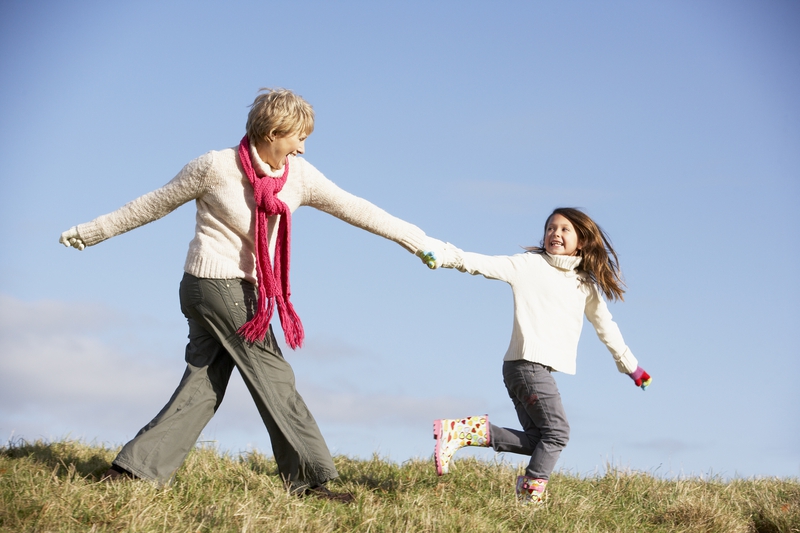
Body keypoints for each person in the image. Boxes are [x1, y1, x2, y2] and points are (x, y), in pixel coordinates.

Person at [59, 87, 446, 503]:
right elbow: (153, 204)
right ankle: (310, 482)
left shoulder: (299, 177)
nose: (302, 146)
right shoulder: (215, 166)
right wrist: (91, 232)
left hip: (241, 290)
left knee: (204, 383)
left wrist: (417, 240)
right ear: (273, 132)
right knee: (274, 376)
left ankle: (132, 472)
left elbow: (357, 208)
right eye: (299, 136)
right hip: (215, 285)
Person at [419, 207, 652, 504]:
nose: (556, 233)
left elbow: (606, 327)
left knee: (539, 440)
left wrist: (631, 367)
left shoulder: (585, 285)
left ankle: (461, 431)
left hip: (524, 369)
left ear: (581, 240)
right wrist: (442, 257)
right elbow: (479, 263)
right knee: (557, 433)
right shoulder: (529, 265)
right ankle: (530, 498)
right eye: (551, 228)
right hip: (528, 367)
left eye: (565, 229)